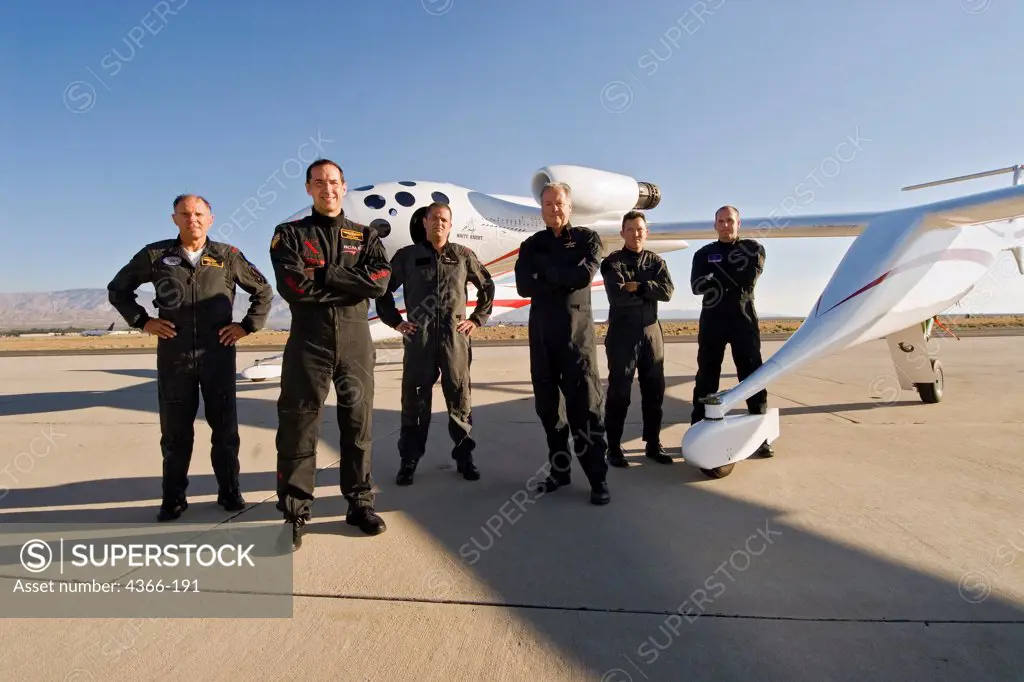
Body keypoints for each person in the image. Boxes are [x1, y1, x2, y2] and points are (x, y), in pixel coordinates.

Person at [107, 194, 273, 521]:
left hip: (218, 356)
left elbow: (264, 291)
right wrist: (143, 321)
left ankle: (229, 492)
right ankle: (173, 499)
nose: (192, 219)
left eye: (198, 214)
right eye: (185, 214)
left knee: (225, 431)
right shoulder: (155, 255)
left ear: (210, 219)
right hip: (175, 356)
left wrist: (247, 326)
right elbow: (118, 289)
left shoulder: (228, 256)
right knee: (175, 433)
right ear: (174, 219)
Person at [269, 159, 392, 550]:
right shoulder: (289, 234)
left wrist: (324, 273)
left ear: (344, 186)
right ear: (308, 188)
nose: (328, 189)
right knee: (299, 426)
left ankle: (359, 504)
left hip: (356, 343)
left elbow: (379, 284)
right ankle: (294, 512)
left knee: (358, 427)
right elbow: (294, 287)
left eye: (335, 182)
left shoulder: (365, 235)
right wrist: (350, 284)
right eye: (319, 182)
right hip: (310, 342)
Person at [376, 201, 495, 485]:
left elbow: (486, 286)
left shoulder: (463, 255)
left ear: (450, 225)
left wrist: (477, 319)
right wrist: (396, 322)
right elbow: (382, 290)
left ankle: (465, 458)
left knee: (459, 399)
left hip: (455, 339)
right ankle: (409, 461)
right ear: (425, 223)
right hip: (420, 339)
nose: (439, 223)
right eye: (434, 218)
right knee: (415, 401)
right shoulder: (407, 256)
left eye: (444, 219)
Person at [514, 182, 610, 505]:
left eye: (559, 204)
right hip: (542, 339)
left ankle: (598, 478)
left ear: (570, 207)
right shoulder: (531, 245)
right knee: (548, 409)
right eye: (548, 205)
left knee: (586, 408)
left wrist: (546, 276)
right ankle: (560, 470)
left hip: (576, 341)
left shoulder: (588, 239)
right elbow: (523, 286)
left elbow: (582, 277)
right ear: (541, 209)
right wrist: (560, 276)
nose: (554, 209)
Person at [689, 205, 773, 457]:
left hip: (743, 320)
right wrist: (727, 276)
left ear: (739, 223)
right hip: (712, 321)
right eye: (721, 221)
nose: (726, 225)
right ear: (715, 225)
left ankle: (761, 434)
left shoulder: (753, 249)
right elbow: (696, 285)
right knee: (706, 375)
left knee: (751, 375)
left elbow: (747, 278)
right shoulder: (703, 253)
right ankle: (698, 427)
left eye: (730, 221)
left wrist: (715, 277)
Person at [600, 210, 675, 467]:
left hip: (652, 333)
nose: (636, 234)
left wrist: (640, 286)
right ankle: (613, 446)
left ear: (647, 232)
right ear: (622, 233)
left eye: (640, 229)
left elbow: (667, 292)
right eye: (630, 229)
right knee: (620, 391)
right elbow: (618, 295)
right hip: (623, 333)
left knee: (654, 391)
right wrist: (647, 289)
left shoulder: (656, 262)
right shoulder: (612, 262)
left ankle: (653, 444)